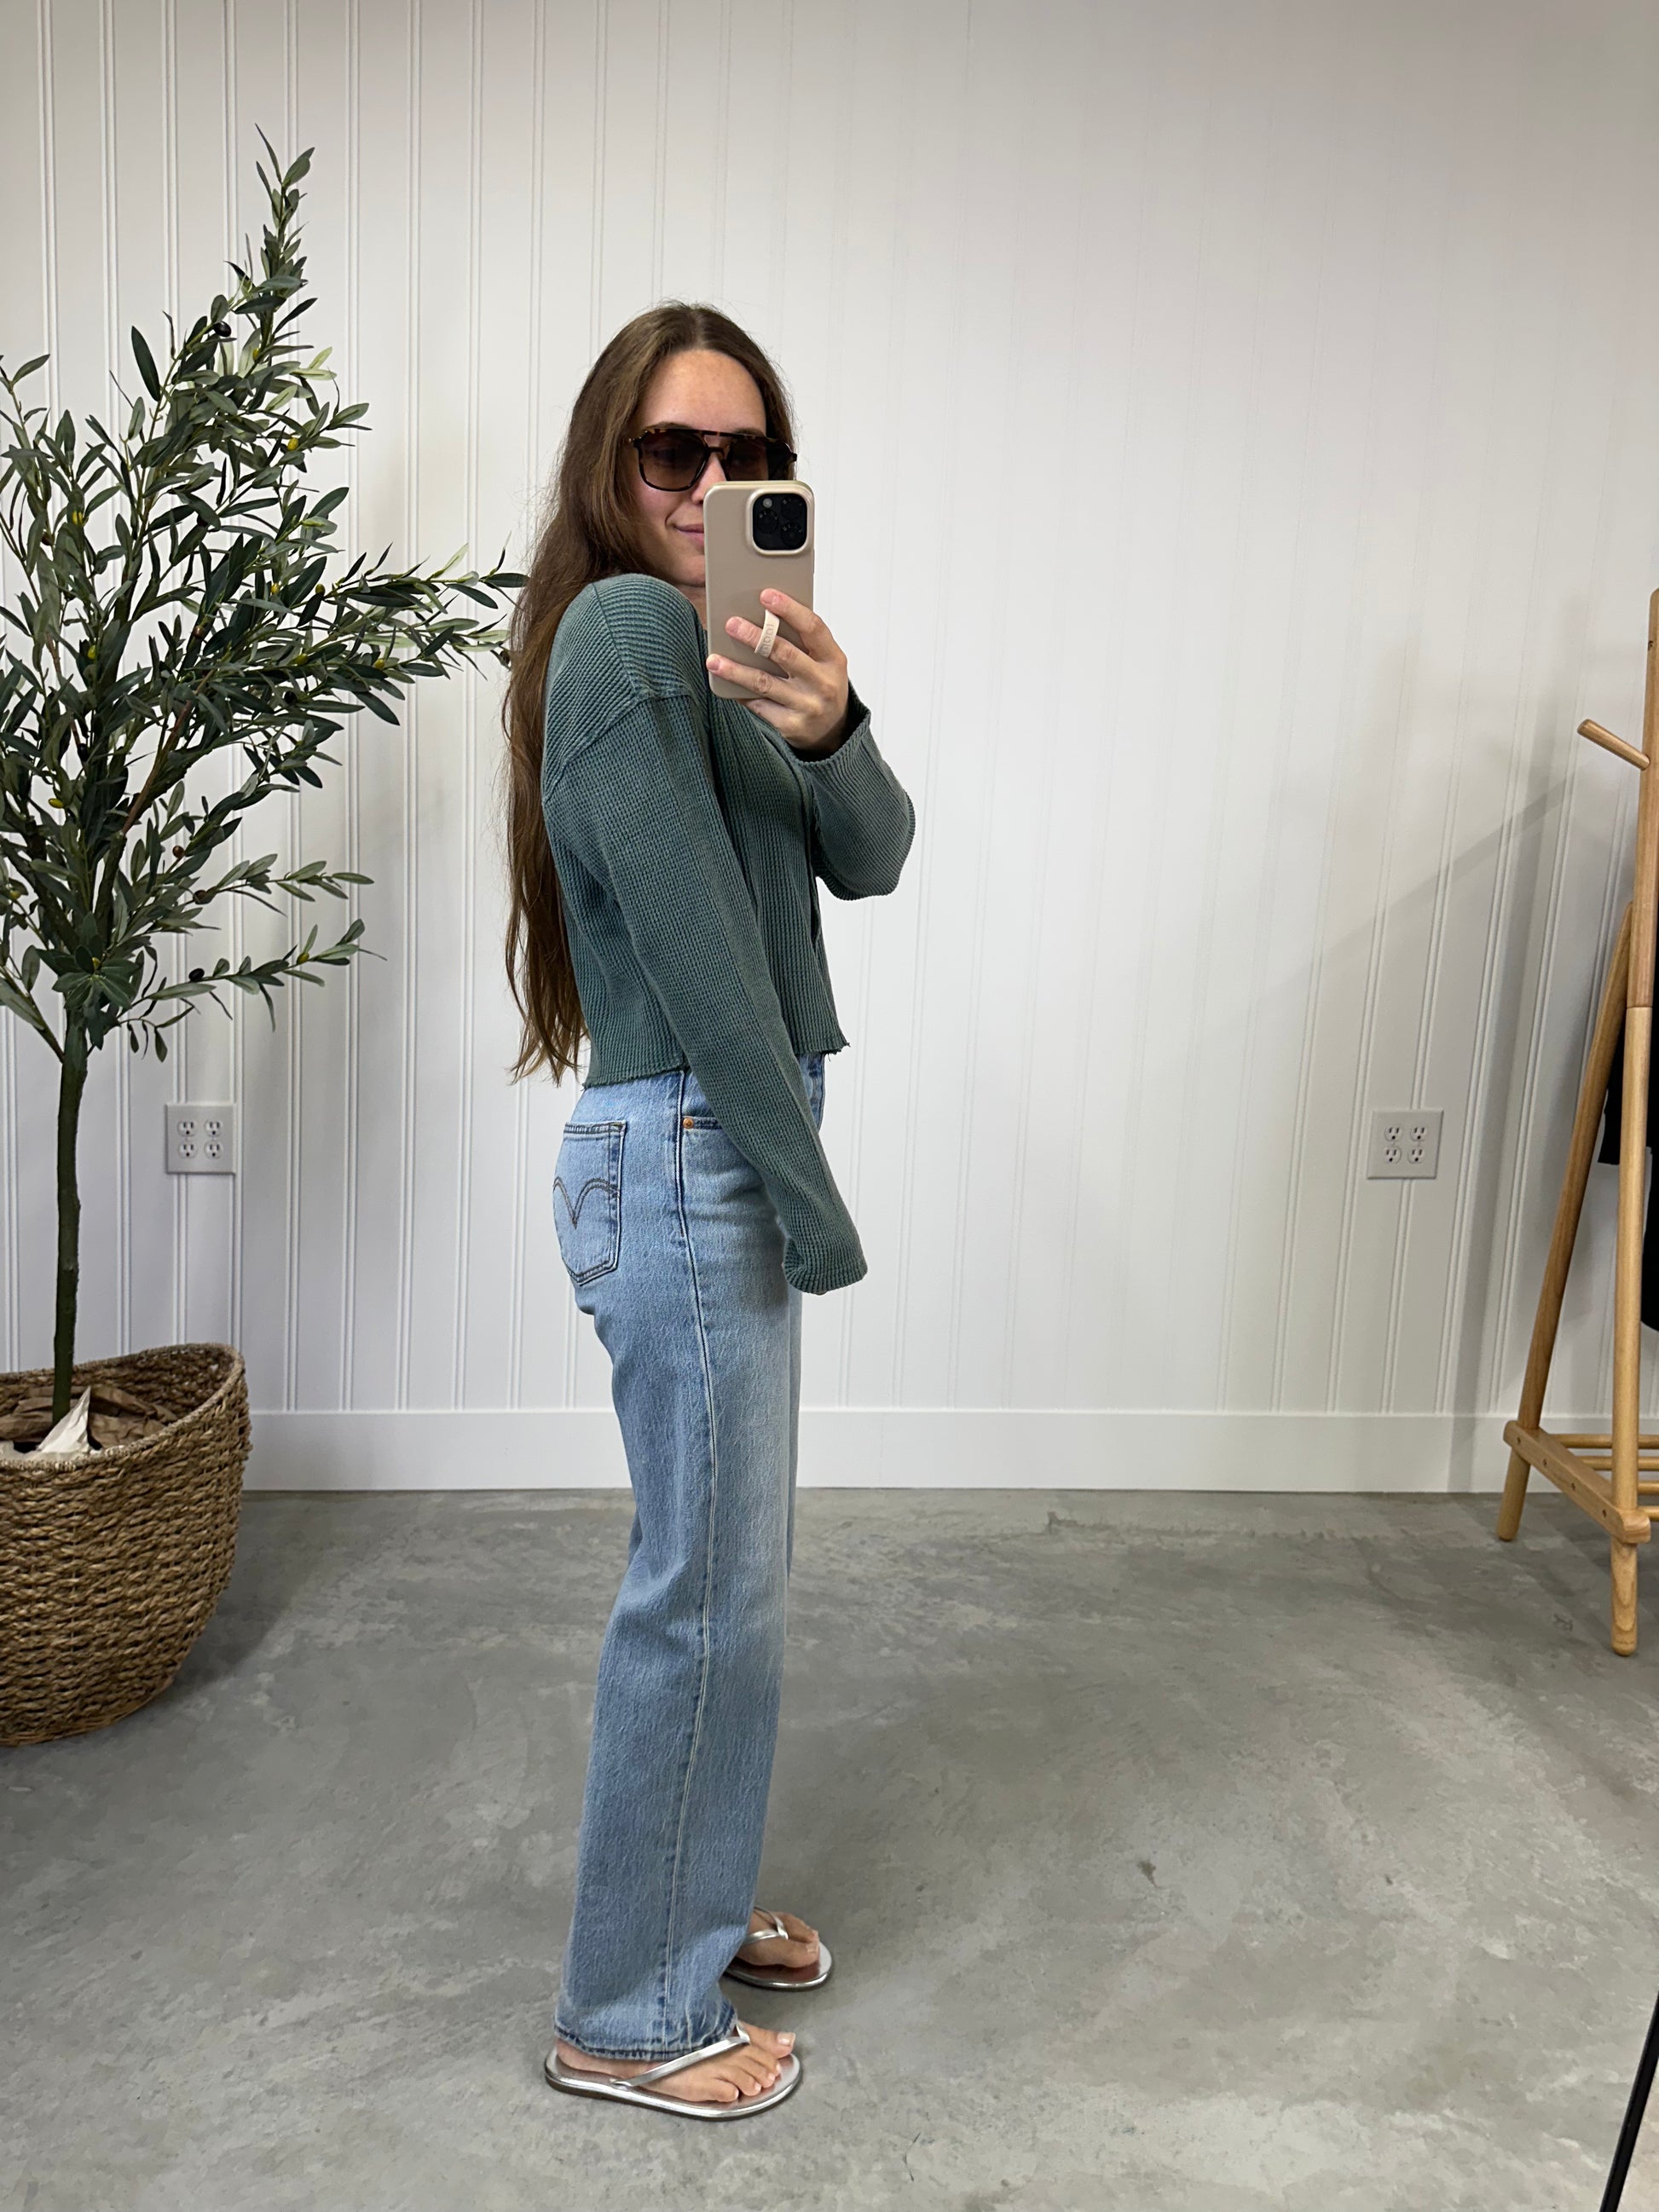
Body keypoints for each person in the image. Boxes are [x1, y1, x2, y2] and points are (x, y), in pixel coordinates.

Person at [500, 303, 916, 2118]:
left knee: (735, 1580)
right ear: (616, 464)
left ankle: (682, 1895)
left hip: (711, 1140)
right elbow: (694, 954)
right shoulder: (611, 638)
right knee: (703, 1589)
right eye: (679, 453)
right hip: (693, 1146)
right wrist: (808, 1199)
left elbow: (878, 849)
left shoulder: (736, 657)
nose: (716, 484)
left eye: (754, 459)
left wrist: (832, 718)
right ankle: (625, 2010)